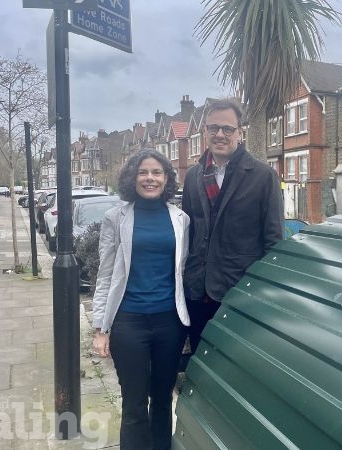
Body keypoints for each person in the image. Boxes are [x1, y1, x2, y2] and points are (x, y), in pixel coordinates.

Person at [92, 149, 190, 450]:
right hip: (129, 322)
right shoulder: (115, 217)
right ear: (133, 177)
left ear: (166, 178)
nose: (150, 178)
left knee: (162, 401)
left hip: (169, 323)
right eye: (143, 172)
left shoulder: (180, 218)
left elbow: (183, 270)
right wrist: (100, 328)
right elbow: (105, 273)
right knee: (134, 405)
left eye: (157, 173)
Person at [181, 98, 284, 357]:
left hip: (239, 293)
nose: (219, 134)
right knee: (199, 365)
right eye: (213, 128)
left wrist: (264, 294)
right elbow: (187, 233)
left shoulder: (263, 176)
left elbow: (273, 241)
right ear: (204, 131)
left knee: (234, 365)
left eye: (227, 129)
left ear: (240, 131)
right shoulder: (193, 176)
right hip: (197, 291)